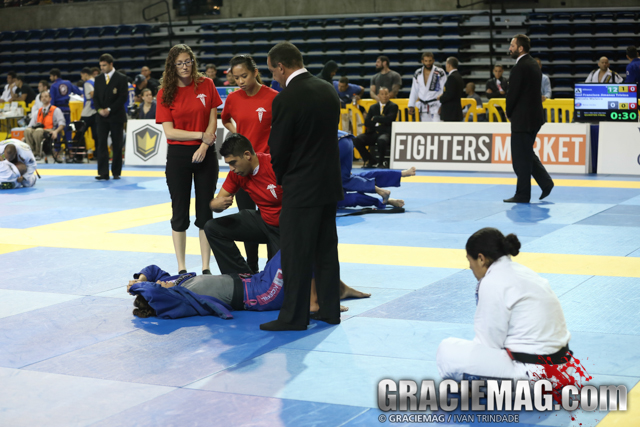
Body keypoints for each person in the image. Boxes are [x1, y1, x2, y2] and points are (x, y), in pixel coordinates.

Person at [437, 228, 584, 398]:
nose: (469, 267)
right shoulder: (523, 271)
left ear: (481, 258)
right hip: (563, 367)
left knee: (446, 353)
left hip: (535, 375)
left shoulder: (492, 281)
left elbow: (489, 344)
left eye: (469, 260)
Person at [262, 41, 343, 331]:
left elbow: (279, 148)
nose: (274, 78)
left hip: (300, 187)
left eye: (273, 72)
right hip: (328, 185)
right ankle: (330, 311)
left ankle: (294, 317)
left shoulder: (285, 99)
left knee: (295, 255)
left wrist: (283, 178)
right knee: (325, 253)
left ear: (282, 67)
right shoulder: (327, 90)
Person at [127, 250, 371, 319]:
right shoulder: (178, 297)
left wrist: (139, 279)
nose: (159, 282)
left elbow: (152, 271)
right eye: (157, 286)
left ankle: (341, 290)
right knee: (297, 248)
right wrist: (139, 288)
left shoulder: (172, 281)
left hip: (255, 280)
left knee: (306, 243)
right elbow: (153, 290)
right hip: (259, 295)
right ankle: (315, 304)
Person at [156, 44, 222, 276]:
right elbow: (170, 132)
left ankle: (205, 267)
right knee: (179, 211)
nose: (185, 67)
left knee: (205, 212)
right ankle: (182, 267)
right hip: (178, 156)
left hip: (206, 154)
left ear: (193, 62)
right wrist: (199, 136)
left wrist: (205, 145)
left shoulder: (207, 84)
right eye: (179, 63)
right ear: (172, 66)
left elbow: (213, 120)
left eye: (188, 61)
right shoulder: (165, 92)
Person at [220, 55, 279, 273]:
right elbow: (225, 118)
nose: (241, 81)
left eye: (244, 76)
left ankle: (272, 268)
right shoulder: (233, 98)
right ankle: (251, 267)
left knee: (272, 220)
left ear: (255, 72)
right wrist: (237, 134)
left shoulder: (273, 97)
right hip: (244, 170)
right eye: (236, 78)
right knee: (247, 219)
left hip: (267, 169)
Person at [205, 133, 282, 275]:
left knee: (278, 279)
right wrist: (215, 205)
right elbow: (217, 201)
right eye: (228, 164)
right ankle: (242, 278)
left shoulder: (275, 165)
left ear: (247, 155)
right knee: (212, 227)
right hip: (264, 221)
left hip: (286, 227)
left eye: (233, 162)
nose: (231, 168)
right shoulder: (236, 174)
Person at [505, 35, 554, 203]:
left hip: (522, 120)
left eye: (512, 45)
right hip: (534, 118)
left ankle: (523, 194)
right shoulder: (533, 64)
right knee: (526, 154)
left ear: (520, 48)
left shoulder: (520, 67)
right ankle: (546, 182)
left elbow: (513, 94)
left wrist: (508, 112)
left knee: (520, 159)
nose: (509, 48)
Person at [338, 131, 410, 210]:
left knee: (345, 186)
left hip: (334, 144)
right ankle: (399, 174)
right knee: (351, 179)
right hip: (345, 138)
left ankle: (380, 199)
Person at [93, 54, 129, 180]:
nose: (102, 68)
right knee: (101, 143)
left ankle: (116, 171)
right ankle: (103, 172)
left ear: (111, 64)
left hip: (116, 116)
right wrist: (99, 110)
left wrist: (109, 109)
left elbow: (123, 98)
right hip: (101, 117)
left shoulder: (121, 78)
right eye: (101, 65)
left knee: (117, 143)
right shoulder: (98, 79)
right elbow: (95, 97)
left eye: (104, 65)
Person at [352, 87, 398, 169]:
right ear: (378, 96)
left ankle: (381, 162)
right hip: (373, 133)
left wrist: (376, 118)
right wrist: (382, 121)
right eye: (382, 94)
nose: (384, 96)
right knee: (356, 139)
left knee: (382, 140)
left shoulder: (393, 106)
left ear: (389, 95)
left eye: (386, 94)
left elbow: (390, 119)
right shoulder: (373, 107)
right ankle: (369, 160)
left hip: (385, 133)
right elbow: (367, 122)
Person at [23, 91, 66, 160]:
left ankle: (38, 153)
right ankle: (32, 153)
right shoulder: (38, 111)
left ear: (50, 99)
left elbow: (62, 124)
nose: (44, 98)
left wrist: (56, 131)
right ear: (40, 99)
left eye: (46, 96)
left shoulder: (56, 110)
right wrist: (24, 136)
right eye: (42, 97)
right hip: (38, 130)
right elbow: (30, 125)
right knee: (27, 130)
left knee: (38, 131)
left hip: (49, 130)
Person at [408, 52, 447, 122]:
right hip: (423, 107)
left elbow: (444, 89)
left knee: (438, 129)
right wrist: (411, 105)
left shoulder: (440, 72)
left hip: (436, 106)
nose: (428, 63)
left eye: (430, 60)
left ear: (433, 61)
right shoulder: (418, 73)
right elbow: (414, 90)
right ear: (422, 61)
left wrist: (442, 105)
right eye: (426, 61)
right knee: (426, 130)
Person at [49, 68, 82, 140]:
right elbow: (78, 92)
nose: (50, 78)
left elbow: (52, 100)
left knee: (57, 127)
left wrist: (51, 111)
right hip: (67, 108)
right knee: (67, 127)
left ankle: (57, 148)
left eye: (51, 76)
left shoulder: (53, 86)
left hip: (57, 109)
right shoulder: (68, 83)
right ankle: (69, 147)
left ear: (55, 76)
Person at [438, 57, 464, 122]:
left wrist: (441, 97)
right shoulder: (458, 76)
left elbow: (450, 95)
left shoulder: (452, 77)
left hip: (450, 112)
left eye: (446, 64)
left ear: (449, 65)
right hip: (456, 111)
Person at [79, 67, 97, 150]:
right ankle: (97, 154)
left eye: (82, 76)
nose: (82, 78)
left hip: (87, 112)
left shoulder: (87, 83)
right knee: (96, 135)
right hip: (96, 112)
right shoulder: (96, 81)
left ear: (86, 74)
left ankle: (78, 154)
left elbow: (92, 94)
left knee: (79, 132)